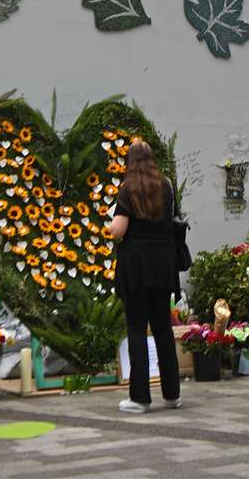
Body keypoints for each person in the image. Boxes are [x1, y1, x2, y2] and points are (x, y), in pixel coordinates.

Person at [106, 138, 182, 413]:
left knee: (137, 328)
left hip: (136, 267)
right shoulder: (166, 186)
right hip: (163, 265)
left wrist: (110, 220)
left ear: (130, 162)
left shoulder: (128, 188)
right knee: (163, 328)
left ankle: (139, 398)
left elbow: (118, 229)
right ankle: (172, 394)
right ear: (152, 160)